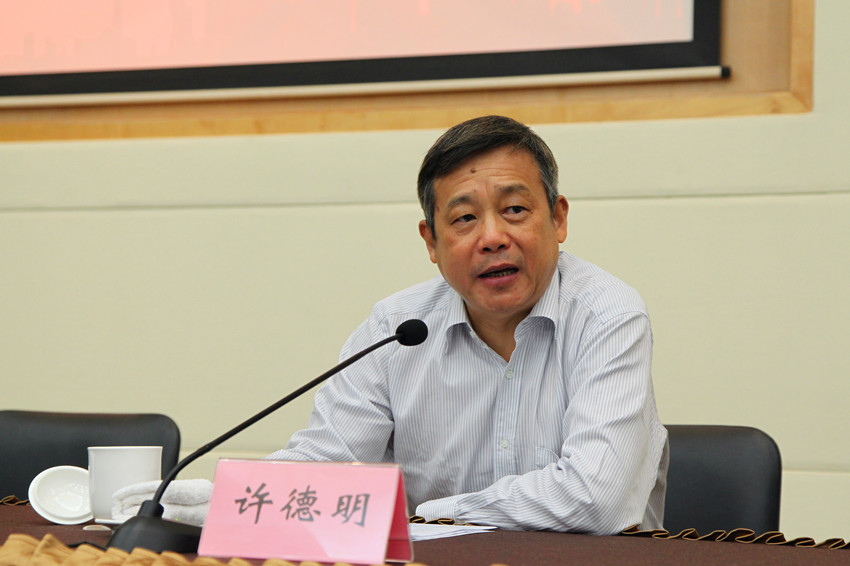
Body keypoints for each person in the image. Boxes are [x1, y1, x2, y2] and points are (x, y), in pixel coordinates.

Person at [268, 115, 668, 534]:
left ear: (558, 218)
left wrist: (435, 514)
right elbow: (324, 465)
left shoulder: (606, 315)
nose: (492, 237)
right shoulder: (395, 329)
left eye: (515, 210)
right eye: (464, 218)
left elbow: (597, 500)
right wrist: (234, 497)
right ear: (431, 242)